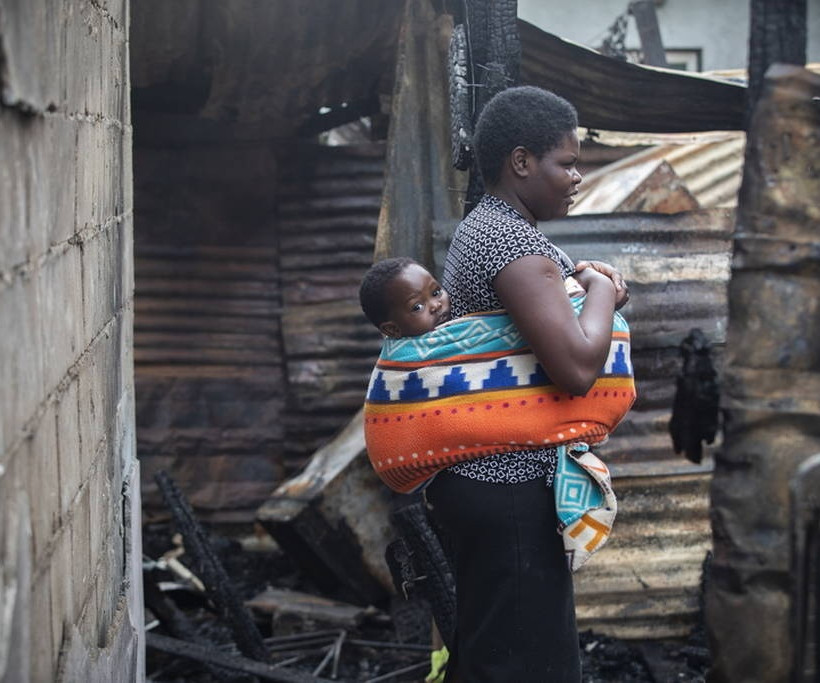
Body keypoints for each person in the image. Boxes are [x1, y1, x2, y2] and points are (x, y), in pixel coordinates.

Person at [425, 85, 629, 681]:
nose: (577, 176)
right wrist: (600, 289)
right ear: (521, 162)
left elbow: (581, 298)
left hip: (487, 483)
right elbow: (575, 365)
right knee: (527, 664)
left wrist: (599, 285)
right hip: (509, 486)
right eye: (565, 162)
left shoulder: (494, 229)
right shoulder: (511, 243)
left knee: (496, 651)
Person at [359, 257, 452, 338]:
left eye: (436, 293)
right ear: (392, 329)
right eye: (417, 307)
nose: (436, 305)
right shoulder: (406, 357)